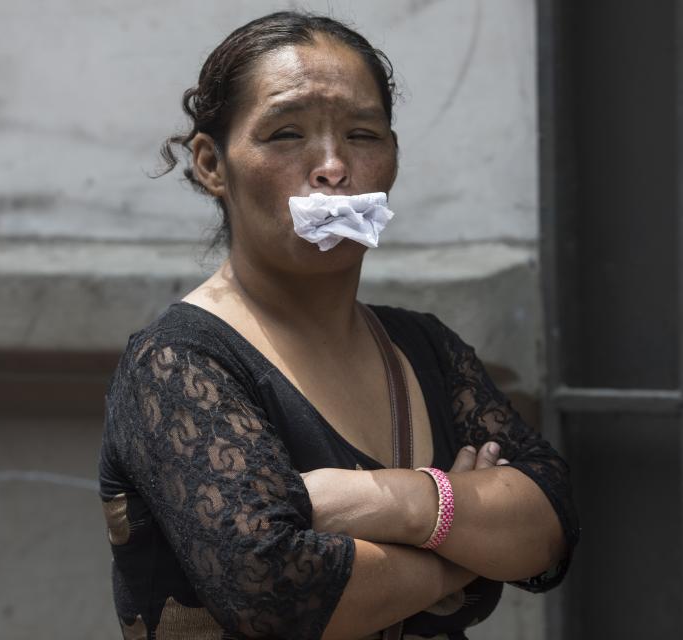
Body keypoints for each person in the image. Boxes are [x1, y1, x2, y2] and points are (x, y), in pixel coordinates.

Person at [99, 11, 579, 640]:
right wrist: (461, 555)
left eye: (362, 134)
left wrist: (393, 503)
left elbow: (549, 525)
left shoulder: (426, 347)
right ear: (212, 164)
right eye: (286, 134)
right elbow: (278, 592)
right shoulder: (177, 365)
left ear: (393, 158)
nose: (331, 168)